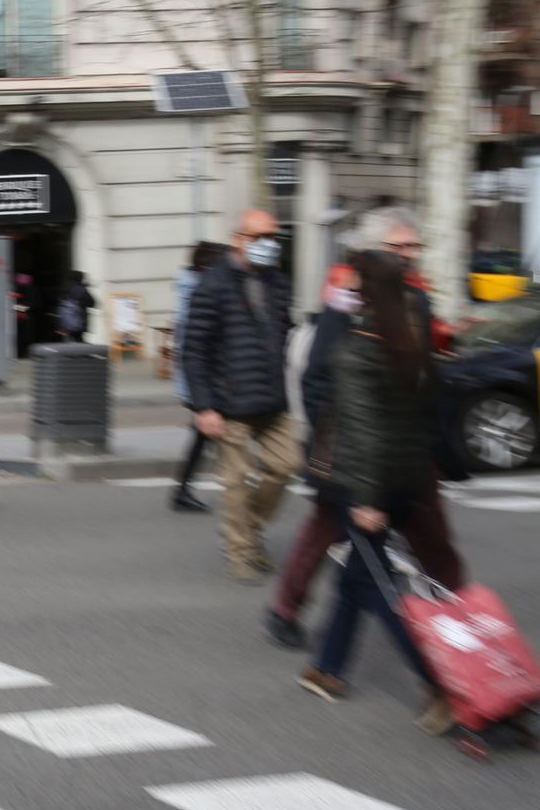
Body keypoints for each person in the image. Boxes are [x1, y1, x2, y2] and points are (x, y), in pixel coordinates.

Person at [265, 209, 466, 649]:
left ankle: (457, 617)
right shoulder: (346, 298)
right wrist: (332, 437)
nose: (409, 256)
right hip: (352, 442)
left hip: (409, 441)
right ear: (373, 251)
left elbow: (424, 372)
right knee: (325, 530)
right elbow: (318, 374)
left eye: (413, 247)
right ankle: (286, 608)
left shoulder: (418, 298)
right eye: (399, 247)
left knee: (432, 535)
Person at [296, 248, 454, 734]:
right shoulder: (408, 340)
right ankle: (329, 669)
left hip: (366, 482)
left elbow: (363, 429)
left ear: (363, 290)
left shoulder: (360, 346)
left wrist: (367, 498)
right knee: (356, 580)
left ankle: (440, 684)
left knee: (382, 588)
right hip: (407, 477)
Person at [182, 208, 299, 583]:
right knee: (235, 482)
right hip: (228, 403)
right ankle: (240, 552)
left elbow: (283, 333)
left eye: (273, 238)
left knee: (286, 465)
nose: (268, 245)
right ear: (239, 239)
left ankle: (250, 528)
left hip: (272, 399)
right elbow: (194, 349)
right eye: (260, 237)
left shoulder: (278, 282)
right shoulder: (214, 284)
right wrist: (204, 406)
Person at [170, 241, 226, 513]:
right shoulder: (194, 293)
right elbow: (189, 345)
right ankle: (183, 491)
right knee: (213, 435)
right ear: (207, 267)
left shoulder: (193, 289)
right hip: (200, 381)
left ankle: (182, 490)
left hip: (202, 381)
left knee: (204, 437)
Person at [56, 270, 95, 343]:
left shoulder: (63, 288)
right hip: (77, 323)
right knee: (78, 342)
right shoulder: (79, 289)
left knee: (68, 341)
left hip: (64, 323)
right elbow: (91, 303)